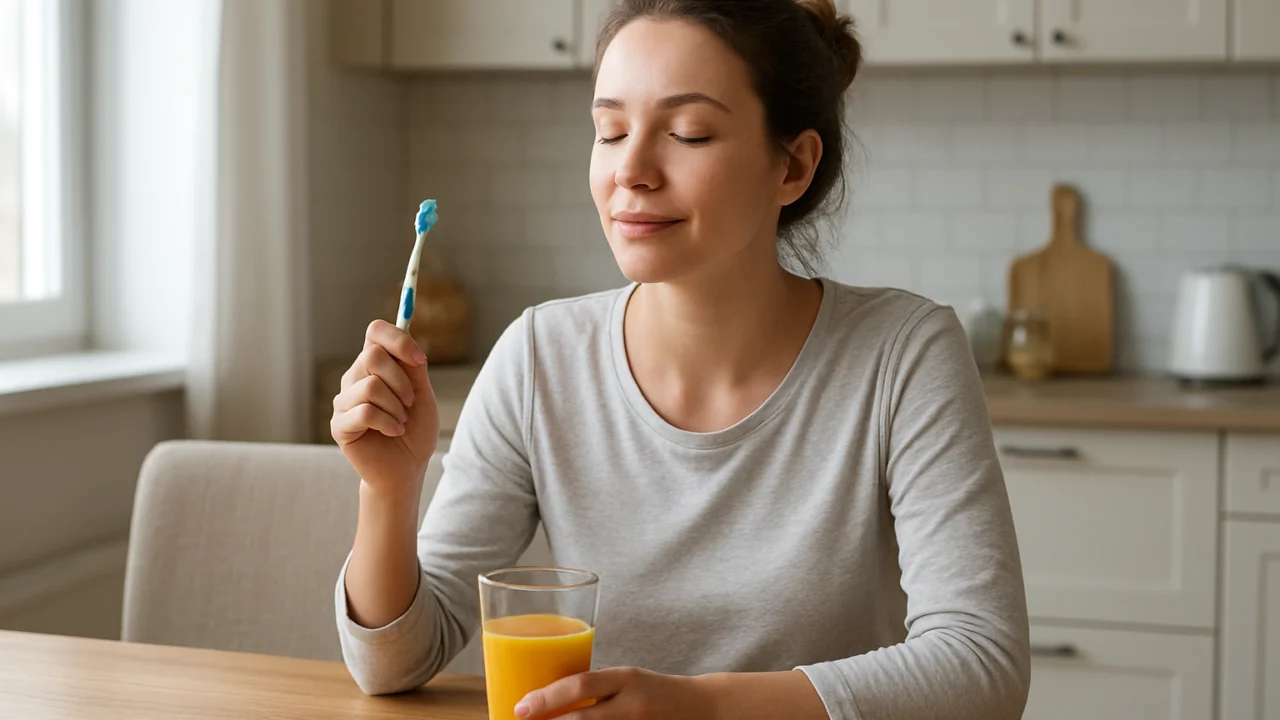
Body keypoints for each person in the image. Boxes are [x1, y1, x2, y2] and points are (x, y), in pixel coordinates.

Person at [329, 0, 1031, 717]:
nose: (631, 170)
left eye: (687, 134)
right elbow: (395, 663)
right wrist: (389, 490)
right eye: (611, 131)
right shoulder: (539, 358)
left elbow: (982, 665)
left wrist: (704, 707)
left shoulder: (903, 355)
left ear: (792, 166)